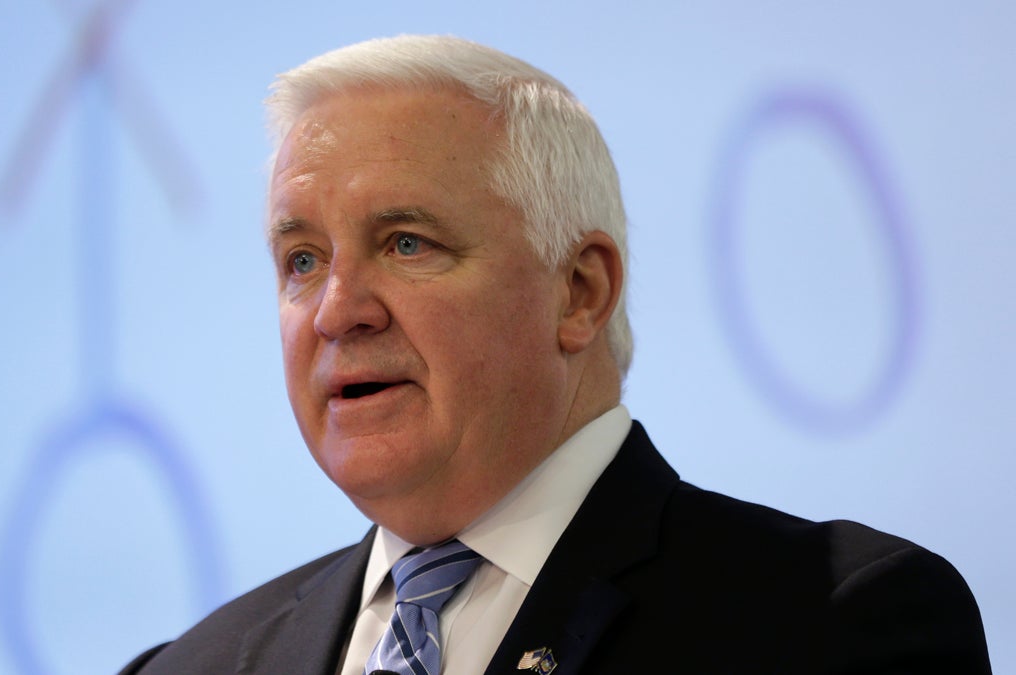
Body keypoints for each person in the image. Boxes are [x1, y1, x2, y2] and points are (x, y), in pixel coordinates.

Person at [119, 35, 990, 674]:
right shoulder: (188, 665)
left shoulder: (833, 625)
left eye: (408, 243)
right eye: (302, 260)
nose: (337, 309)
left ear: (579, 292)